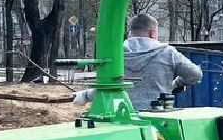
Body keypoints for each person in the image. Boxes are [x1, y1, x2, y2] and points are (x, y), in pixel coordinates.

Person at [73, 13, 202, 110]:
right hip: (158, 116)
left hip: (122, 116)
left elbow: (109, 85)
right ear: (152, 33)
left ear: (131, 32)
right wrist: (177, 83)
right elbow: (195, 74)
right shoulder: (167, 52)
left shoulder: (116, 53)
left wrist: (85, 96)